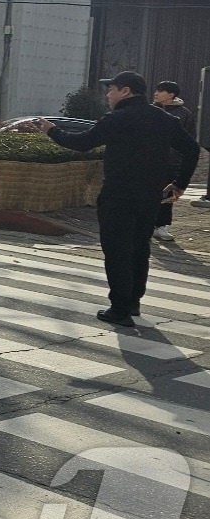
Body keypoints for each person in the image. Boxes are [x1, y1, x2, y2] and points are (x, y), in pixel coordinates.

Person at [37, 71, 200, 328]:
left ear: (126, 91)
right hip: (150, 196)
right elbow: (192, 149)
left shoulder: (117, 119)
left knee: (117, 250)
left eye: (111, 90)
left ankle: (119, 309)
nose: (108, 96)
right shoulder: (164, 118)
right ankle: (133, 301)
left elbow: (81, 143)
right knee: (139, 247)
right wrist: (180, 184)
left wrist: (52, 131)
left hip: (119, 195)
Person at [151, 80, 196, 241]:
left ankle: (162, 227)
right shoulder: (150, 111)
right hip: (150, 161)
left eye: (160, 91)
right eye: (156, 90)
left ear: (171, 95)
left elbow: (190, 141)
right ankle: (147, 225)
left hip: (172, 161)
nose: (156, 93)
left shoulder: (184, 114)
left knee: (167, 195)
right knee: (148, 193)